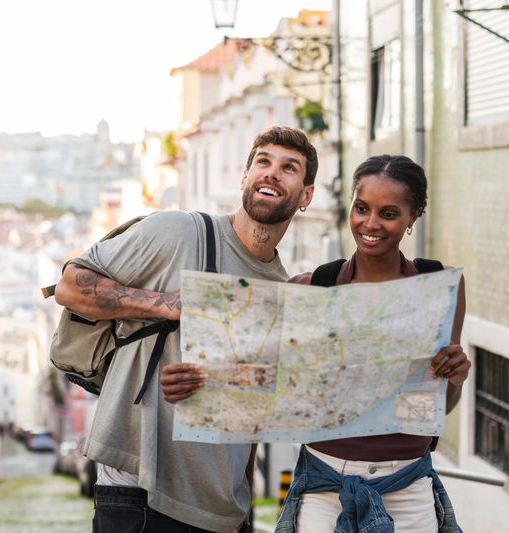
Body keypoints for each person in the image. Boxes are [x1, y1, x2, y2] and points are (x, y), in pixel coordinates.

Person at [162, 155, 469, 532]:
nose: (370, 224)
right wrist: (191, 387)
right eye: (361, 208)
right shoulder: (312, 288)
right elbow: (258, 386)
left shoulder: (437, 287)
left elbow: (435, 408)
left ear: (414, 216)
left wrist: (455, 379)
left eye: (389, 213)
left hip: (408, 490)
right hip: (324, 489)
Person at [55, 126, 319, 533]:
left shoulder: (280, 289)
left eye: (289, 168)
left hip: (221, 510)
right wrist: (167, 305)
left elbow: (250, 415)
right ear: (244, 177)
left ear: (306, 195)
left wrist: (245, 507)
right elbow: (70, 286)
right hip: (139, 490)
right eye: (262, 162)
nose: (271, 172)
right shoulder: (178, 232)